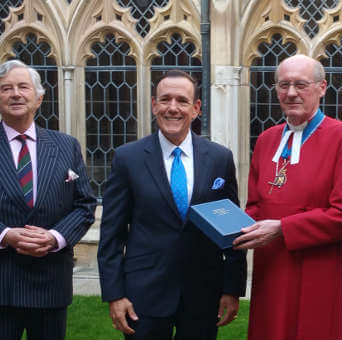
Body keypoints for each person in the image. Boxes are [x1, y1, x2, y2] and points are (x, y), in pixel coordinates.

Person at [97, 70, 247, 340]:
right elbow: (111, 234)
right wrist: (114, 294)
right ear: (154, 105)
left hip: (203, 292)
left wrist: (232, 288)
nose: (173, 108)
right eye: (165, 100)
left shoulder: (219, 158)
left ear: (196, 108)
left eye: (182, 100)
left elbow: (232, 230)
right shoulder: (127, 158)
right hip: (144, 293)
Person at [232, 55, 342, 340]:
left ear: (322, 87)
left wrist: (284, 228)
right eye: (283, 85)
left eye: (300, 84)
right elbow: (256, 204)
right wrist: (234, 225)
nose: (291, 93)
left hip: (320, 268)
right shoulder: (267, 139)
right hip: (271, 267)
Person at [0, 59, 97, 340]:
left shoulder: (66, 146)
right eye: (6, 88)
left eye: (23, 87)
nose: (15, 93)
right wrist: (4, 235)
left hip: (49, 284)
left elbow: (85, 204)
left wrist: (55, 237)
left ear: (39, 97)